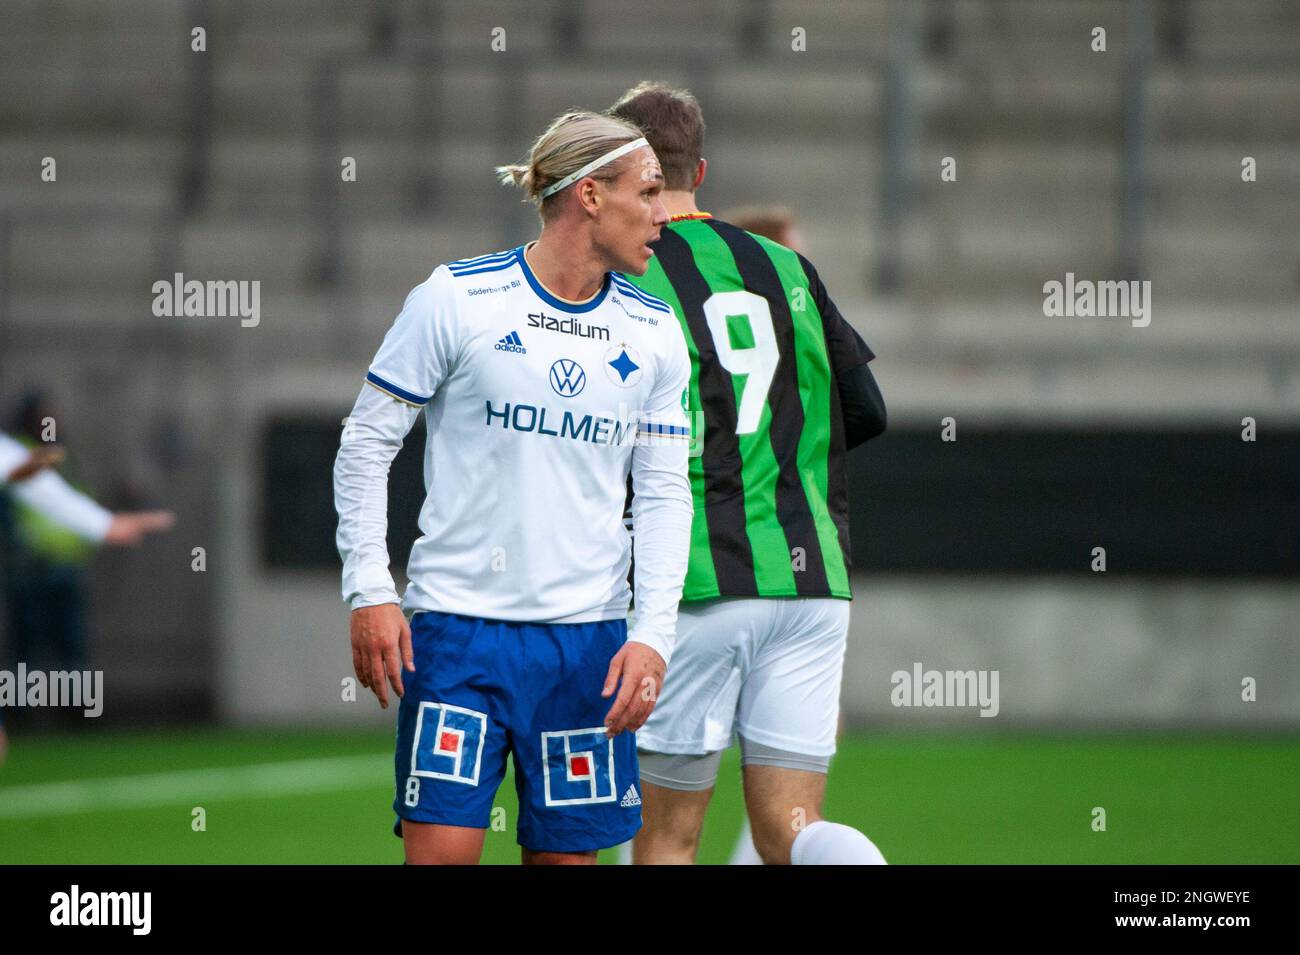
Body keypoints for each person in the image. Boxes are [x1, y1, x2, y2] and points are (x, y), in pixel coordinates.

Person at [333, 110, 694, 865]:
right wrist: (371, 587)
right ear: (590, 195)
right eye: (650, 192)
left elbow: (663, 493)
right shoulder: (457, 299)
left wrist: (653, 633)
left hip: (587, 645)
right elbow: (368, 441)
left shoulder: (656, 331)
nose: (665, 215)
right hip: (458, 633)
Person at [610, 83, 889, 865]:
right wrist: (779, 470)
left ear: (628, 169)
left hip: (693, 583)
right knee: (789, 833)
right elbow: (865, 408)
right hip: (809, 582)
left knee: (669, 834)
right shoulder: (786, 268)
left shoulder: (626, 273)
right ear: (702, 167)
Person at [0, 427, 174, 765]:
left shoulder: (30, 455)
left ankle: (69, 710)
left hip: (57, 570)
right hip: (30, 571)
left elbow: (23, 473)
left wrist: (100, 524)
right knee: (28, 648)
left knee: (63, 647)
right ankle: (31, 709)